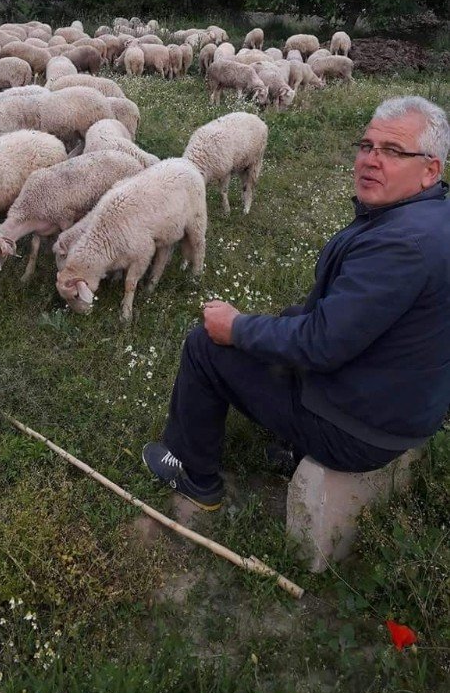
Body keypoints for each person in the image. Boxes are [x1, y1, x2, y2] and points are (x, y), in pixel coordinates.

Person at [142, 95, 450, 510]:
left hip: (361, 430)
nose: (371, 160)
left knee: (205, 347)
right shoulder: (430, 218)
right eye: (367, 146)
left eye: (393, 151)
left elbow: (322, 344)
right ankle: (292, 445)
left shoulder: (401, 245)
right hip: (398, 402)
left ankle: (193, 476)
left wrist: (235, 328)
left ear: (430, 169)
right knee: (288, 320)